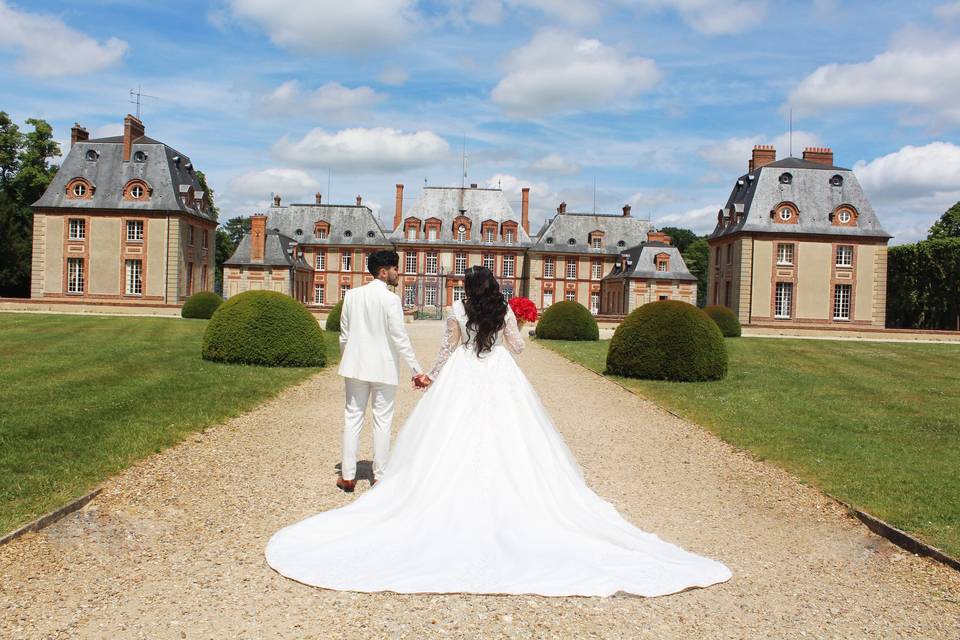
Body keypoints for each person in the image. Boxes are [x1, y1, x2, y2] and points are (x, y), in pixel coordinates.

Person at [266, 266, 731, 596]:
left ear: (466, 289)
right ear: (496, 288)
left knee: (448, 440)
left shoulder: (454, 308)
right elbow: (519, 351)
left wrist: (427, 376)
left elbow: (449, 351)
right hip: (499, 376)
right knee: (517, 443)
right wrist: (524, 325)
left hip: (466, 374)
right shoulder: (506, 310)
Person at [335, 250, 431, 492]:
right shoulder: (391, 300)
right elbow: (400, 338)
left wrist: (349, 357)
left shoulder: (352, 296)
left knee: (353, 418)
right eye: (395, 268)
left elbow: (344, 335)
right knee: (382, 421)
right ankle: (379, 476)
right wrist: (416, 370)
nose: (398, 273)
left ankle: (347, 476)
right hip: (384, 368)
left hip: (355, 366)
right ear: (383, 271)